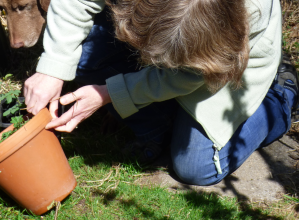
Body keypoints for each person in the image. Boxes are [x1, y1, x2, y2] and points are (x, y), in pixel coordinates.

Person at [24, 0, 298, 186]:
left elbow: (195, 75)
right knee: (82, 55)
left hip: (226, 65)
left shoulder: (251, 10)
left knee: (198, 167)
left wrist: (110, 93)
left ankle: (281, 94)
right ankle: (159, 125)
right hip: (169, 38)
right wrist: (54, 67)